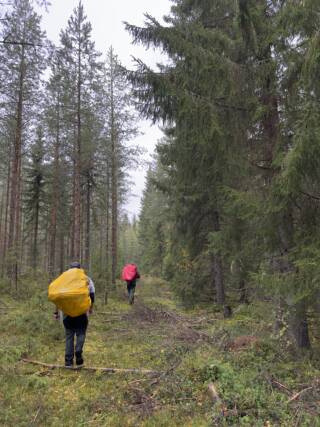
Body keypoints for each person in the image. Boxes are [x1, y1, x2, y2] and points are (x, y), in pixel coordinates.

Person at [54, 261, 95, 368]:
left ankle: (68, 362)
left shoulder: (63, 280)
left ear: (70, 269)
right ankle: (78, 350)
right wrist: (90, 308)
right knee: (81, 332)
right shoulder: (86, 279)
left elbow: (57, 297)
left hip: (67, 313)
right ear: (79, 268)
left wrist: (56, 311)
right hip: (82, 312)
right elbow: (92, 294)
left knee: (69, 336)